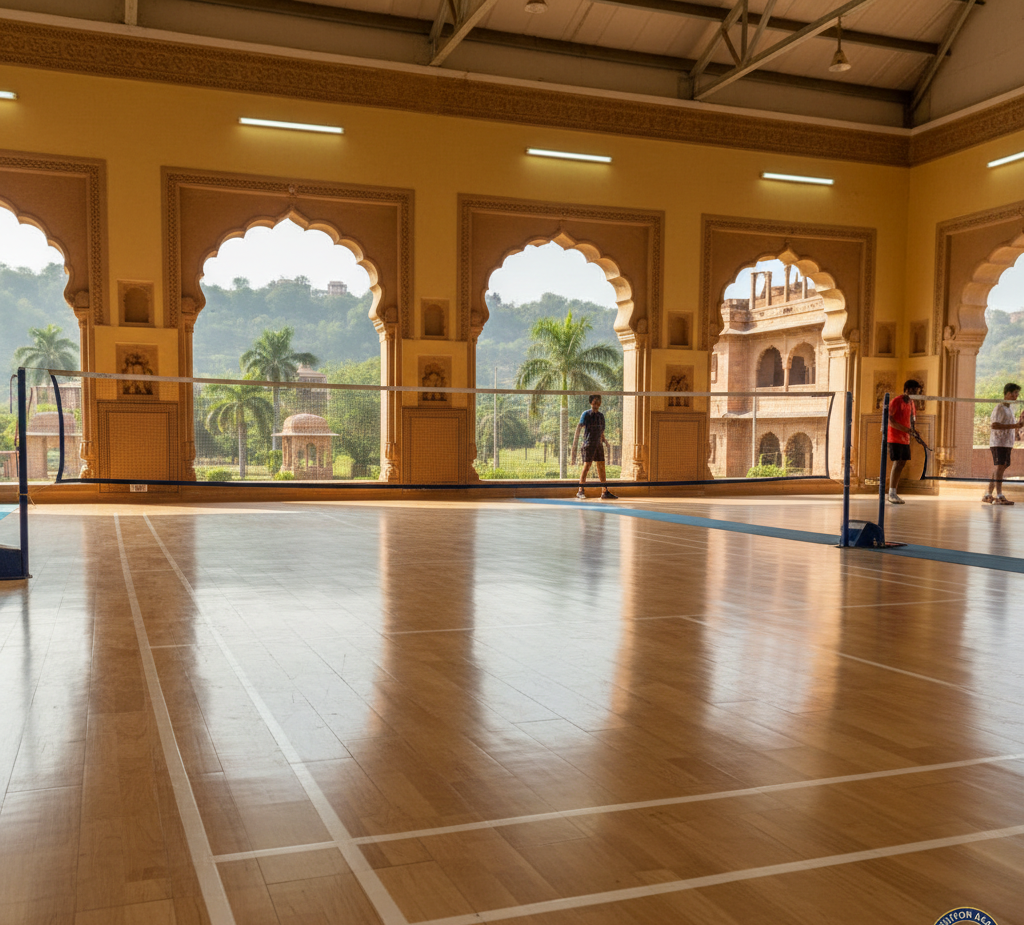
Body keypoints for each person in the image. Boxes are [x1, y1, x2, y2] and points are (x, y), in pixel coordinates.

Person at [571, 394, 617, 500]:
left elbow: (601, 431)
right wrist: (575, 444)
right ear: (591, 402)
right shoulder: (586, 414)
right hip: (588, 444)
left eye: (599, 402)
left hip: (598, 445)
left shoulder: (601, 416)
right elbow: (579, 428)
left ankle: (604, 491)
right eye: (595, 402)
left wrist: (605, 441)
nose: (597, 404)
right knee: (587, 466)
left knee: (601, 467)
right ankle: (580, 491)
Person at [983, 382, 1022, 505]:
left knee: (1001, 467)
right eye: (1015, 393)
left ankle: (988, 494)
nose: (1016, 396)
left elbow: (1010, 425)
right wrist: (1015, 425)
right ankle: (999, 495)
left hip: (1007, 443)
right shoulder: (999, 408)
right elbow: (994, 425)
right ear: (1008, 393)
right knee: (1000, 467)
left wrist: (1017, 429)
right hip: (998, 442)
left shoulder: (1010, 409)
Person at [886, 378, 923, 504]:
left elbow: (911, 421)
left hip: (905, 439)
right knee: (897, 463)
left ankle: (894, 491)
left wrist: (914, 431)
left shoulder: (912, 404)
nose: (914, 393)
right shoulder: (896, 401)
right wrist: (905, 429)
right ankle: (891, 493)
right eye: (912, 390)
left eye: (916, 391)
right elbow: (890, 420)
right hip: (894, 437)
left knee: (902, 463)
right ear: (906, 390)